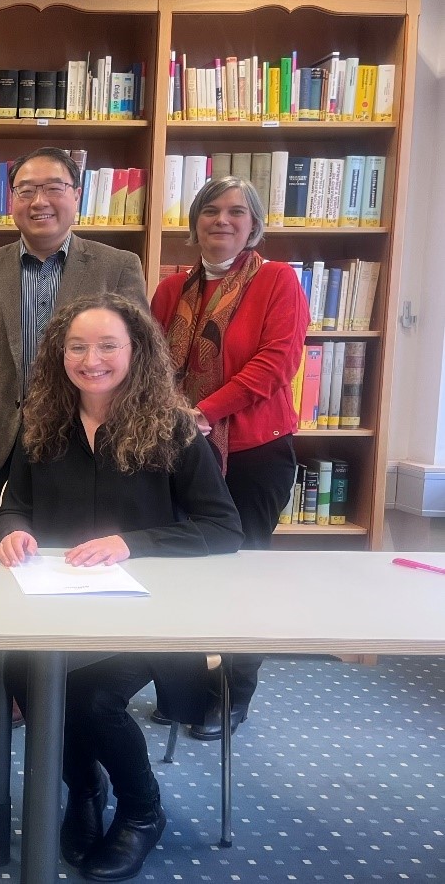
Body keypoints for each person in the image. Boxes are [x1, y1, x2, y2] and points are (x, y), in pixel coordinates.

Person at [0, 294, 242, 882]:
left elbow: (223, 528)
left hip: (149, 613)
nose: (92, 359)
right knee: (23, 675)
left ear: (137, 352)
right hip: (56, 604)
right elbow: (13, 507)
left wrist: (133, 543)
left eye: (108, 346)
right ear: (59, 354)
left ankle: (141, 810)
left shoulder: (173, 428)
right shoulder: (42, 424)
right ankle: (84, 787)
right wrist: (12, 532)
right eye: (77, 347)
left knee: (86, 697)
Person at [151, 175, 309, 740]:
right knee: (180, 568)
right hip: (178, 452)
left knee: (244, 574)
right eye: (210, 210)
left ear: (254, 224)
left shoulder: (277, 280)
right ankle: (184, 689)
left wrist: (205, 411)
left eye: (237, 212)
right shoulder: (171, 289)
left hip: (253, 453)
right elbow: (150, 364)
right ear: (194, 221)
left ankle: (233, 693)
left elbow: (276, 363)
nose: (222, 220)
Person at [0, 146, 148, 507]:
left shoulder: (118, 266)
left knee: (86, 537)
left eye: (54, 188)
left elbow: (140, 357)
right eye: (26, 190)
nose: (39, 202)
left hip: (92, 436)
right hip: (2, 440)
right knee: (11, 534)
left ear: (77, 195)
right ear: (12, 199)